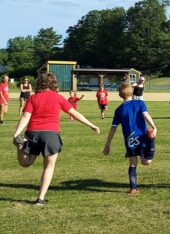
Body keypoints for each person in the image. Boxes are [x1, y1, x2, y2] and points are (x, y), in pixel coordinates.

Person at [12, 73, 100, 205]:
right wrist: (91, 125)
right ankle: (41, 198)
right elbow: (74, 113)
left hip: (33, 133)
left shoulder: (33, 98)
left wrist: (16, 134)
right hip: (51, 135)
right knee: (48, 167)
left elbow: (25, 116)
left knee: (26, 163)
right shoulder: (58, 97)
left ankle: (20, 147)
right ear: (53, 83)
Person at [103, 83, 158, 194]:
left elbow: (113, 128)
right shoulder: (139, 103)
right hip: (141, 136)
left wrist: (108, 143)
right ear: (132, 92)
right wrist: (154, 126)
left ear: (119, 95)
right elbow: (146, 115)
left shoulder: (119, 110)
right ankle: (151, 140)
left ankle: (133, 188)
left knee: (133, 163)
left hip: (130, 139)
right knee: (146, 161)